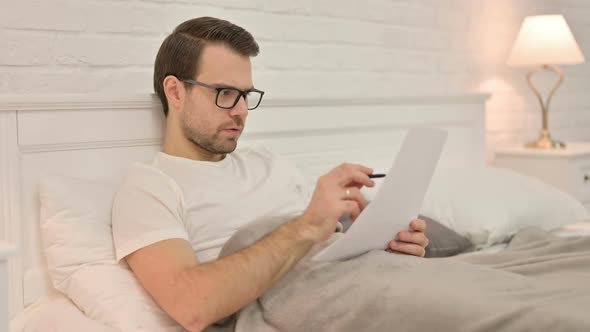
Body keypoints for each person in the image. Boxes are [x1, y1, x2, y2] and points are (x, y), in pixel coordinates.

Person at [112, 17, 429, 332]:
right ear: (176, 92)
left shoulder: (269, 163)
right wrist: (307, 226)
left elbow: (324, 251)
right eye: (225, 93)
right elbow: (191, 305)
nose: (241, 111)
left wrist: (384, 250)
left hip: (360, 286)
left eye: (245, 95)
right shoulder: (150, 187)